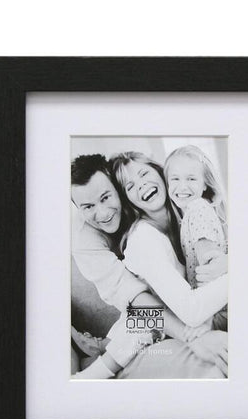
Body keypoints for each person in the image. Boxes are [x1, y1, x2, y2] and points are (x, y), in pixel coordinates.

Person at [71, 154, 227, 379]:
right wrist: (194, 337)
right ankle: (92, 370)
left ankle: (105, 345)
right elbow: (136, 301)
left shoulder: (184, 206)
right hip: (145, 311)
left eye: (106, 197)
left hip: (174, 304)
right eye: (88, 207)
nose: (102, 213)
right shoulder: (88, 242)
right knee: (139, 324)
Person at [109, 151, 229, 331]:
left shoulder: (187, 210)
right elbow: (192, 312)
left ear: (161, 173)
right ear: (128, 200)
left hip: (199, 318)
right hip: (156, 331)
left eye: (144, 173)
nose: (141, 185)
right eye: (130, 186)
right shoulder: (142, 240)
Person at [164, 145, 228, 331]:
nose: (182, 186)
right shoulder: (192, 212)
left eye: (191, 178)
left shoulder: (197, 208)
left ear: (205, 184)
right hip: (214, 305)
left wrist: (208, 320)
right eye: (175, 179)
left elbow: (210, 267)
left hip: (217, 308)